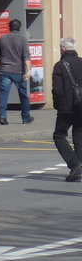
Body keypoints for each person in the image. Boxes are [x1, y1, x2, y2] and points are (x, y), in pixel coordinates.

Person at [50, 37, 82, 182]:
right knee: (79, 133)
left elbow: (57, 90)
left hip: (67, 107)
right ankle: (79, 166)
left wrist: (58, 106)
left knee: (59, 135)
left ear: (62, 49)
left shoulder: (60, 65)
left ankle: (74, 163)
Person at [0, 18, 34, 125]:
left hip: (5, 71)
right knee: (23, 95)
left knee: (3, 94)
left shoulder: (2, 38)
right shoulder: (23, 39)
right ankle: (26, 118)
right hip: (19, 72)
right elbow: (26, 56)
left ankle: (2, 117)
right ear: (19, 27)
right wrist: (28, 71)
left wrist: (1, 64)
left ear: (9, 27)